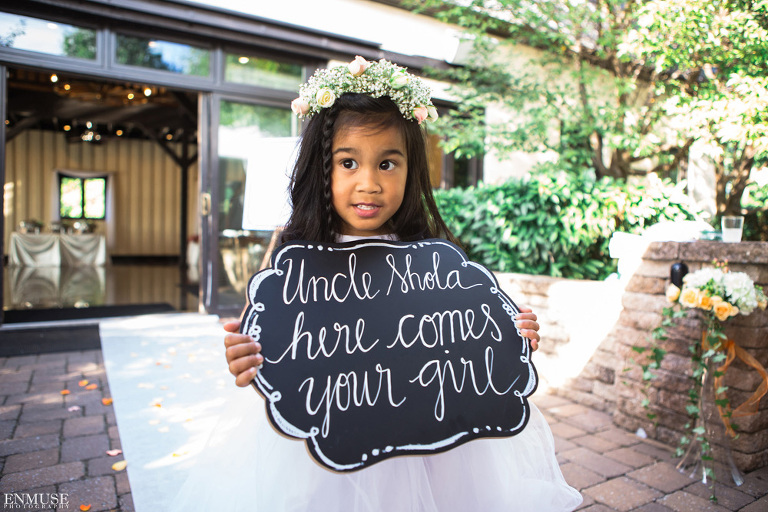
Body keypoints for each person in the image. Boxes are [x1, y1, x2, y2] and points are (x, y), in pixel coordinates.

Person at [175, 57, 582, 512]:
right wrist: (247, 356)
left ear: (412, 169)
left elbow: (463, 332)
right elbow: (276, 347)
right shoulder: (298, 261)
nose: (368, 183)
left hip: (431, 433)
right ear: (320, 167)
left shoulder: (430, 261)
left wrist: (508, 334)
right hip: (328, 440)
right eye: (348, 162)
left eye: (387, 163)